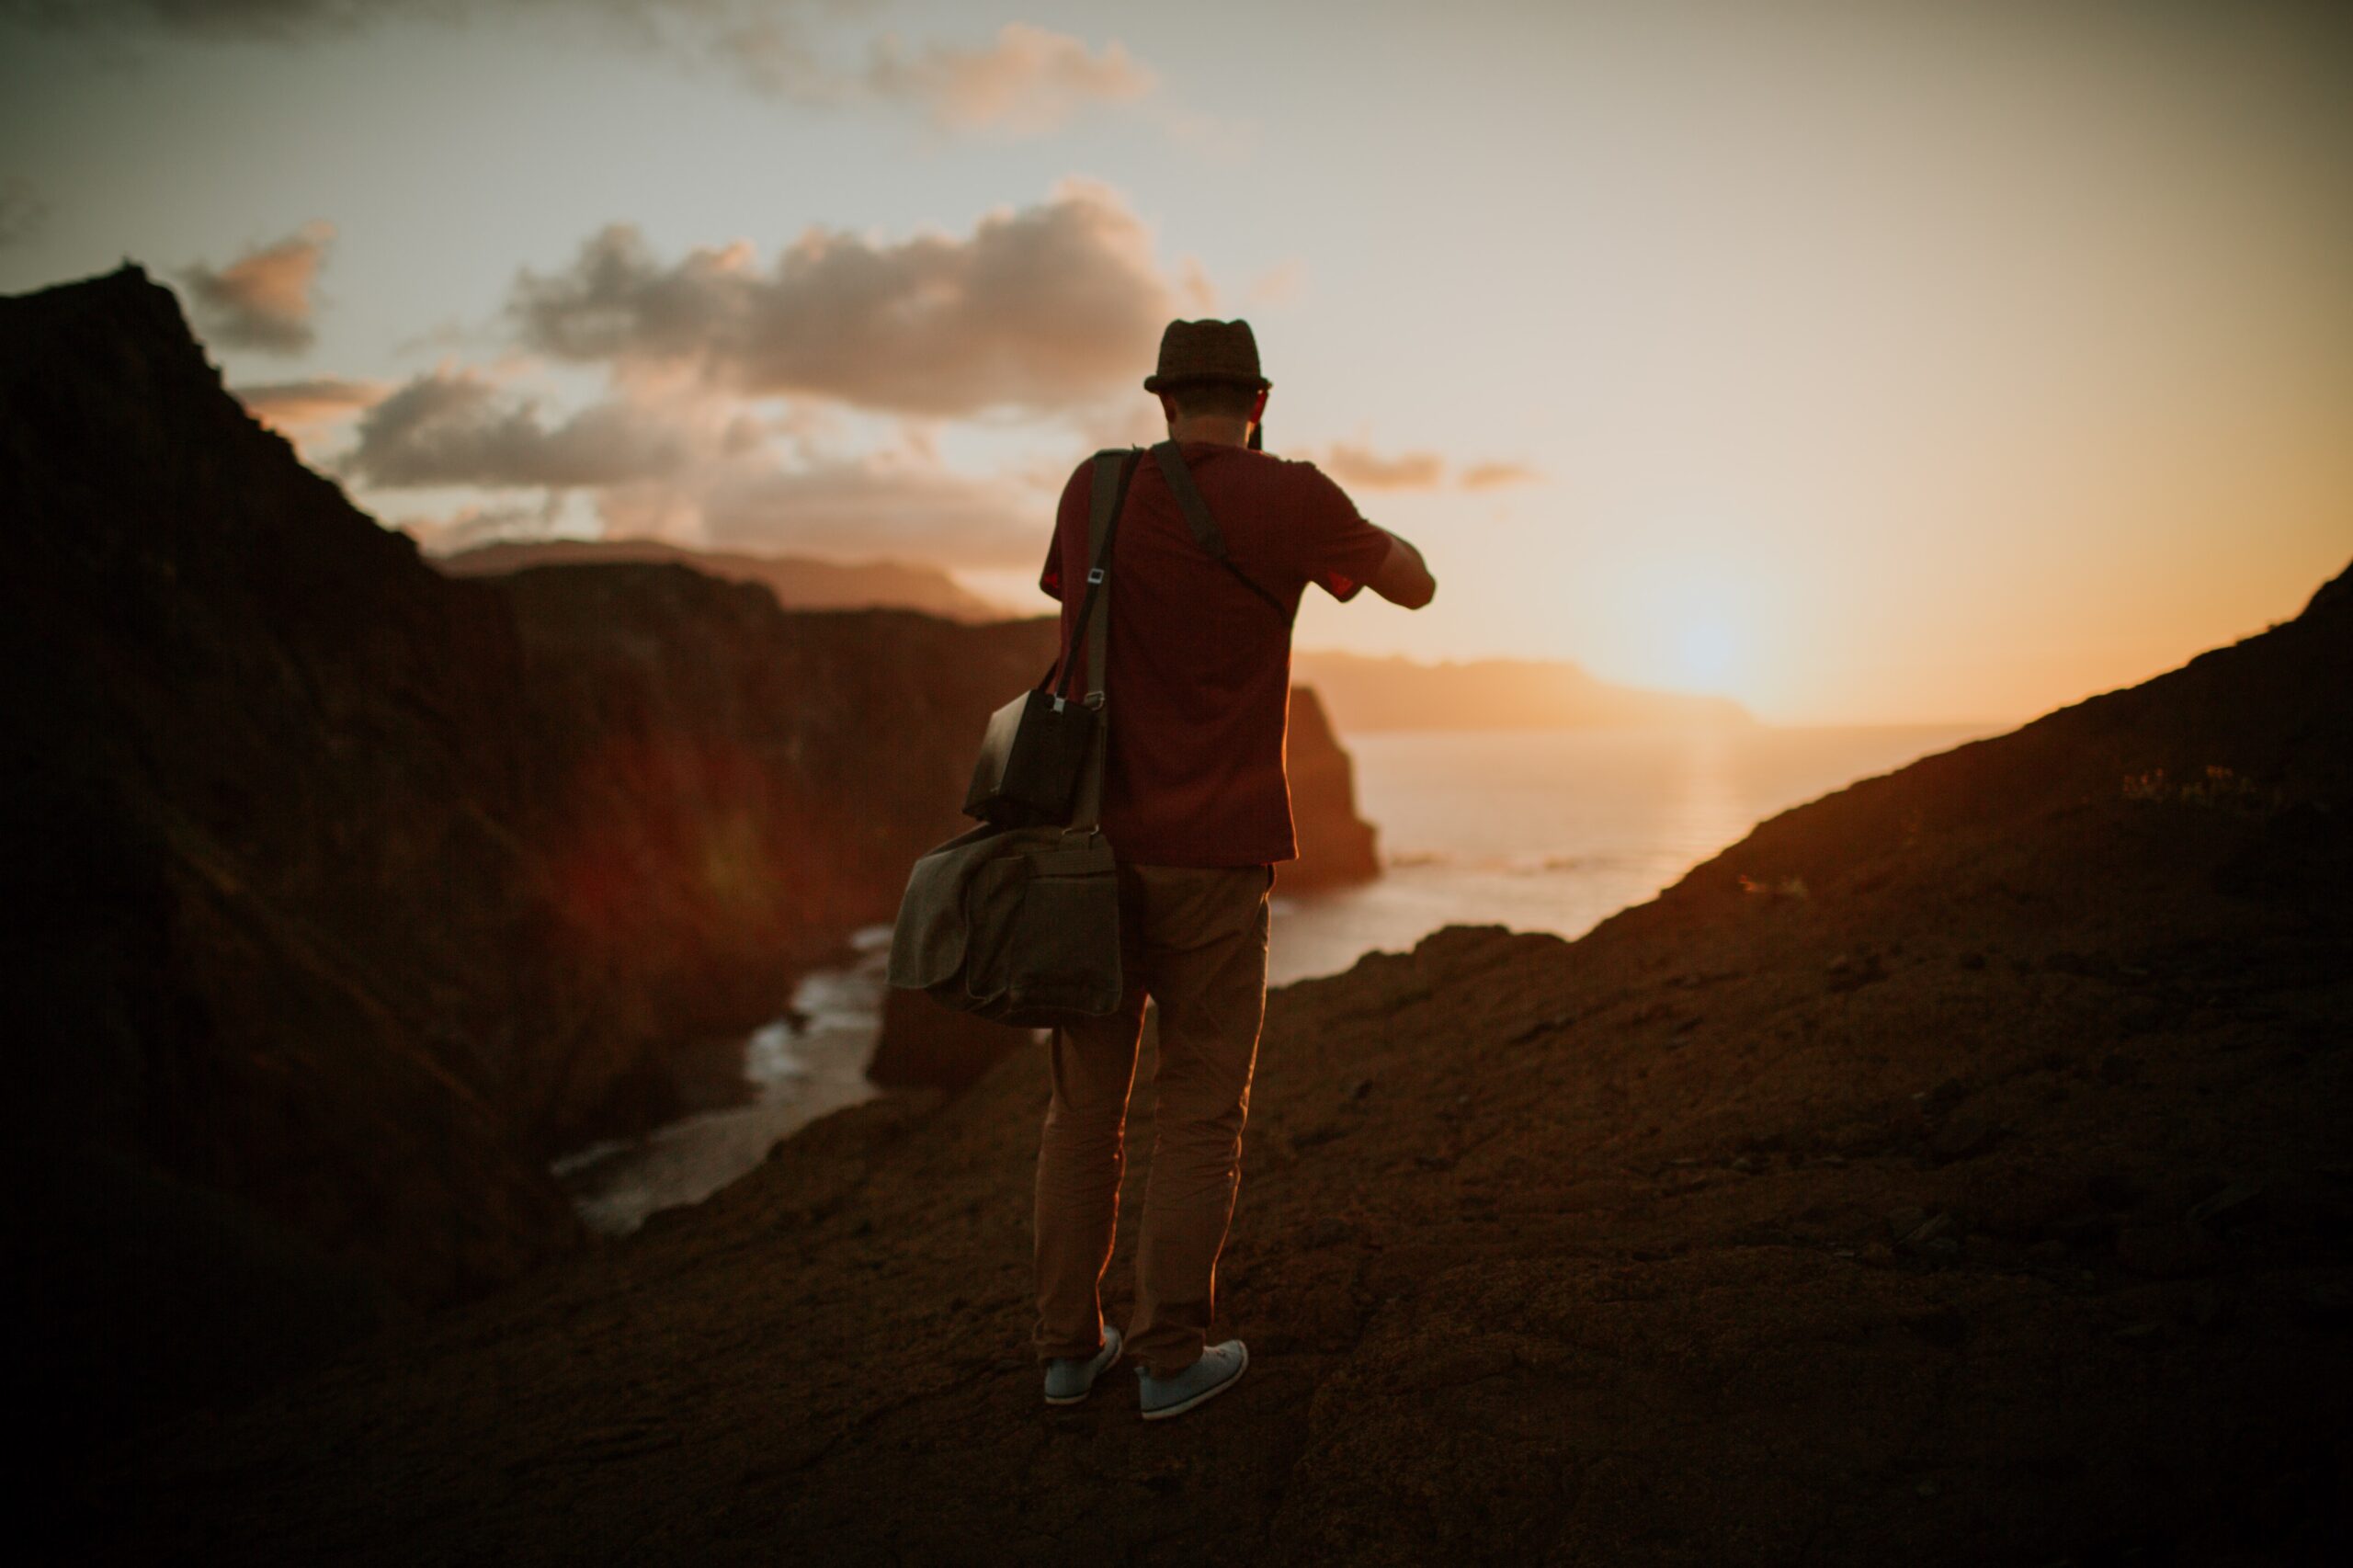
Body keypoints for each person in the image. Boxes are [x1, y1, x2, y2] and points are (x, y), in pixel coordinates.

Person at [1032, 318, 1437, 1420]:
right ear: (1256, 400)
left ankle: (1070, 1352)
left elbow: (1069, 598)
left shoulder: (1093, 488)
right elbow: (1417, 586)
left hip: (1087, 854)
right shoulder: (1293, 495)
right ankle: (1170, 1357)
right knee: (1200, 1104)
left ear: (1163, 402)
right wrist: (1315, 521)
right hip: (1215, 854)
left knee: (1083, 1110)